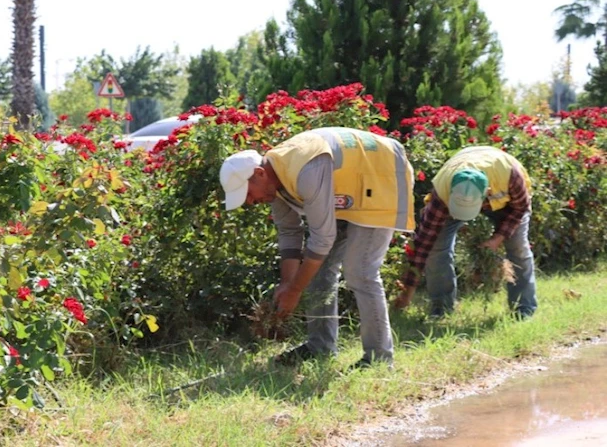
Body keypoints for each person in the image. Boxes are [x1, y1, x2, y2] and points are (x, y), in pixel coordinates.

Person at [220, 127, 415, 367]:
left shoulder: (306, 169)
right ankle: (320, 347)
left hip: (382, 176)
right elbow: (290, 233)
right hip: (348, 191)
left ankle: (379, 359)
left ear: (260, 174)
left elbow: (322, 239)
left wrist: (295, 291)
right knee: (317, 272)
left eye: (248, 194)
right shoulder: (276, 183)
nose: (250, 202)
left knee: (360, 272)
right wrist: (287, 284)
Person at [393, 146, 537, 318]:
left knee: (518, 247)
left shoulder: (510, 175)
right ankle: (441, 309)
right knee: (436, 249)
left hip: (508, 202)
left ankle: (524, 308)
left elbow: (520, 208)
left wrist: (497, 239)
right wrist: (407, 293)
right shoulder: (442, 193)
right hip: (455, 192)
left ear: (487, 194)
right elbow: (423, 245)